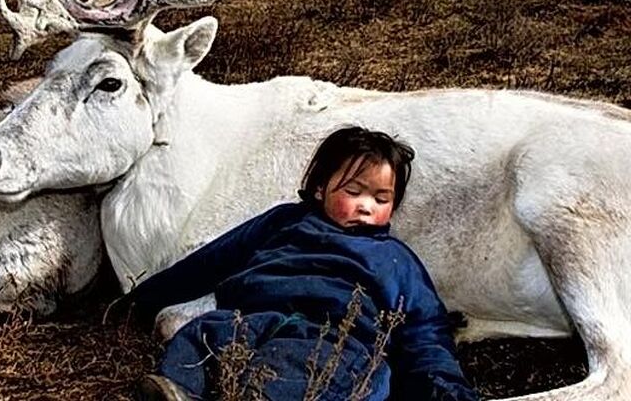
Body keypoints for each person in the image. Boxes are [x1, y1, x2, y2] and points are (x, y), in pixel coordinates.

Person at [127, 127, 478, 401]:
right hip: (250, 319)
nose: (366, 206)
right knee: (200, 334)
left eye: (381, 198)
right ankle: (180, 393)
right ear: (320, 188)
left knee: (305, 371)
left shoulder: (395, 258)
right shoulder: (282, 222)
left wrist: (444, 387)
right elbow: (212, 261)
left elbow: (425, 329)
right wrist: (136, 302)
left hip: (332, 339)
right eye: (353, 192)